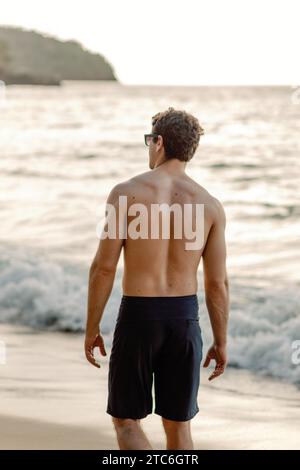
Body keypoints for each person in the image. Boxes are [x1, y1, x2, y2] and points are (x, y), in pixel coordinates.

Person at [85, 107, 229, 450]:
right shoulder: (210, 205)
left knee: (126, 421)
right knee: (179, 426)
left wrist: (92, 327)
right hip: (184, 319)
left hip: (138, 317)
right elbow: (216, 284)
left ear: (159, 142)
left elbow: (103, 268)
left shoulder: (125, 193)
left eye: (150, 140)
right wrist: (221, 340)